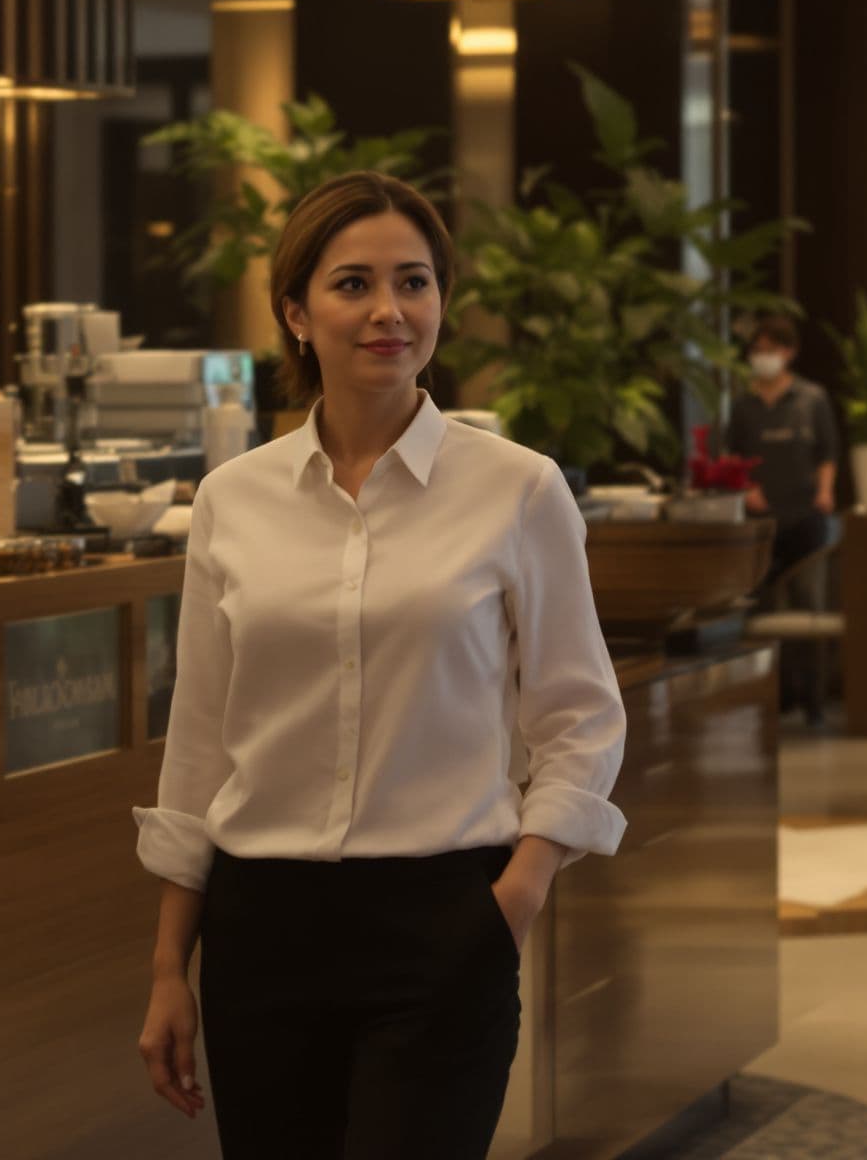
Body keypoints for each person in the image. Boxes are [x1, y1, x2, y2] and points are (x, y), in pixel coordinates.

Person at [133, 173, 629, 1159]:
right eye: (352, 284)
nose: (388, 312)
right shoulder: (232, 501)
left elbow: (580, 720)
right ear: (295, 312)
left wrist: (512, 900)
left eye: (414, 282)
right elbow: (198, 746)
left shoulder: (519, 491)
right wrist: (165, 969)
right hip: (259, 927)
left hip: (444, 920)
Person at [726, 313, 840, 596]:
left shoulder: (811, 398)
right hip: (760, 516)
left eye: (771, 351)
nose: (763, 357)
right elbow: (733, 454)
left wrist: (825, 491)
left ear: (789, 352)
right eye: (758, 351)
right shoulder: (742, 404)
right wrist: (747, 489)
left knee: (806, 593)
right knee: (757, 595)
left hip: (805, 511)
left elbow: (828, 451)